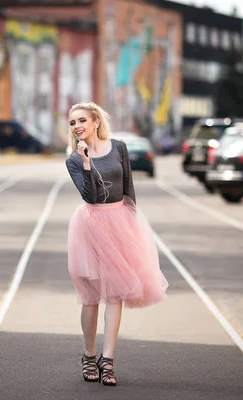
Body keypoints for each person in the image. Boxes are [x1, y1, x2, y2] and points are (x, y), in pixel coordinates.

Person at [65, 102, 169, 386]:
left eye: (82, 120)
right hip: (90, 225)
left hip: (120, 221)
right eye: (73, 123)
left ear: (96, 121)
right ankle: (89, 355)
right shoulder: (74, 160)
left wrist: (134, 226)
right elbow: (91, 197)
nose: (77, 127)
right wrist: (86, 163)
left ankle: (107, 360)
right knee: (90, 296)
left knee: (116, 294)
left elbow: (129, 189)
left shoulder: (119, 147)